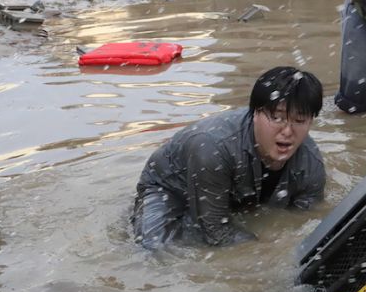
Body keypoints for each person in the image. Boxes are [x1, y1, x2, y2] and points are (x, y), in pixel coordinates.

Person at [133, 67, 326, 248]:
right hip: (171, 189)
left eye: (300, 120)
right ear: (255, 114)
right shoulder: (212, 147)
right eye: (277, 117)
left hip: (238, 192)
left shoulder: (311, 163)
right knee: (154, 247)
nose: (287, 131)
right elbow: (216, 231)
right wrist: (267, 252)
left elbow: (306, 220)